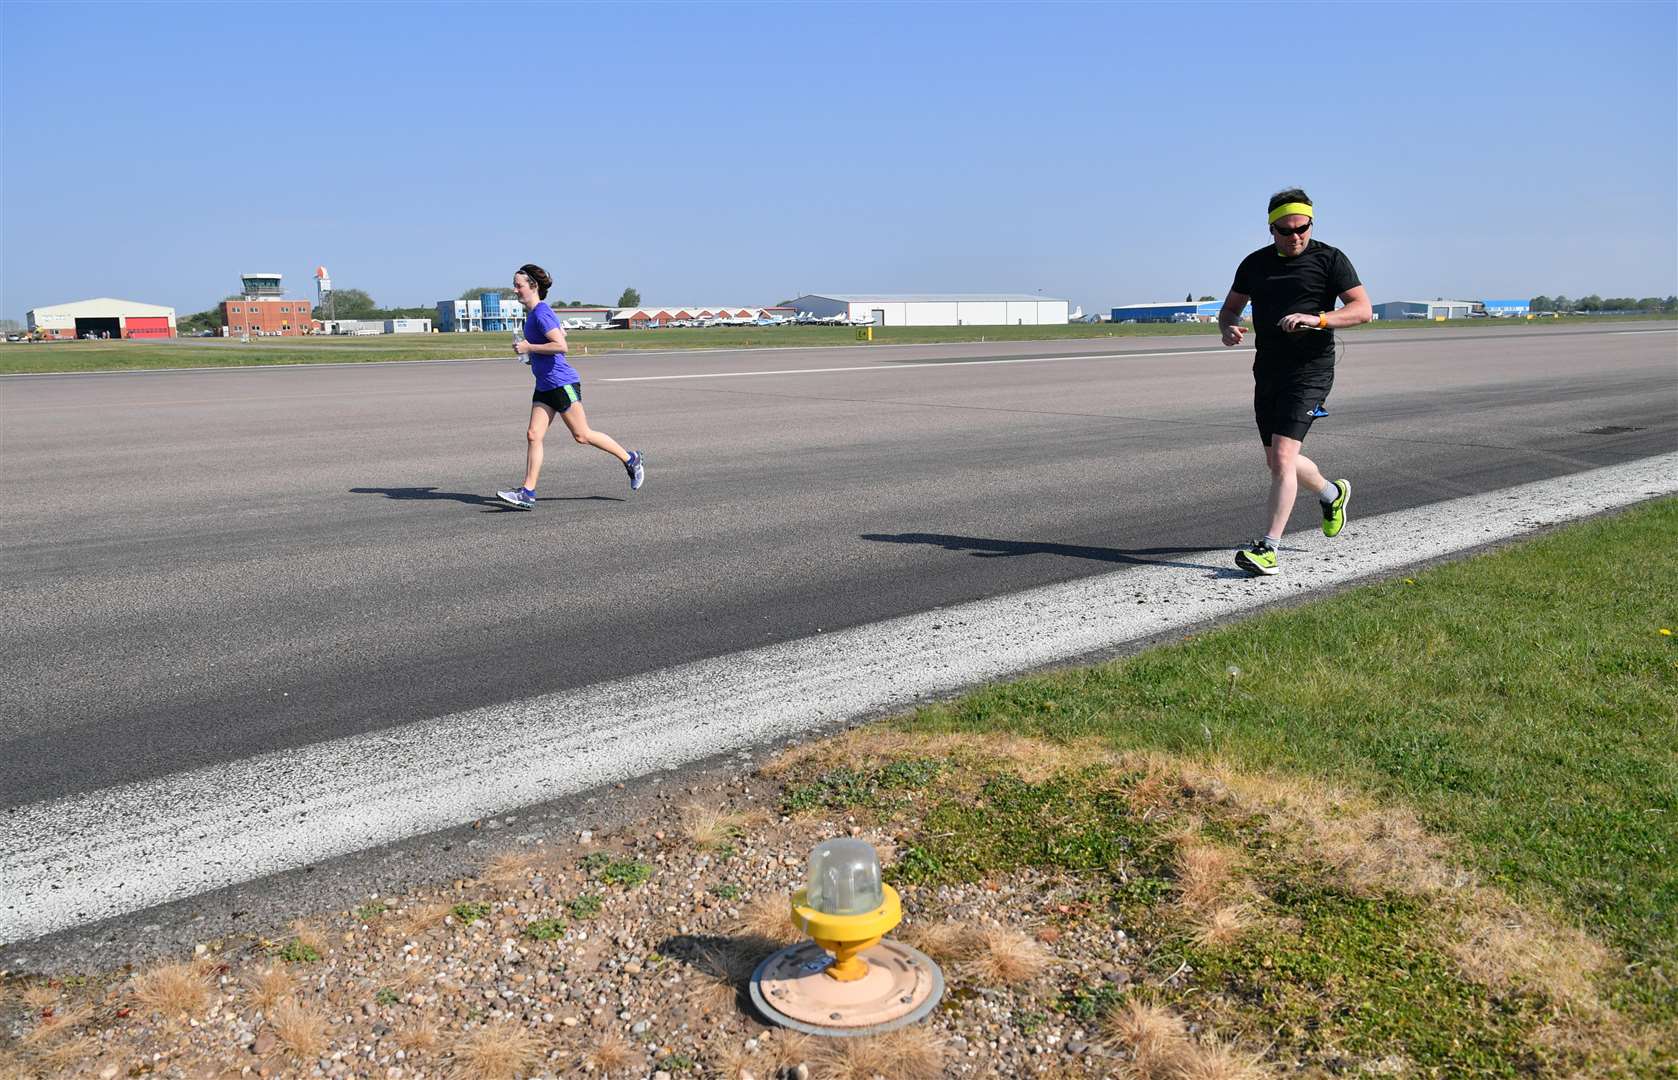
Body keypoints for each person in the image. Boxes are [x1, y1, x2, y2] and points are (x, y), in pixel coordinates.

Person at [1217, 188, 1371, 576]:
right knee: (1276, 462)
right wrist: (1228, 328)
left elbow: (1362, 310)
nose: (1295, 237)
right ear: (1272, 228)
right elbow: (1230, 309)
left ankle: (1268, 548)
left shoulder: (1330, 259)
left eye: (1302, 228)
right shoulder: (1254, 264)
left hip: (1311, 370)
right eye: (1286, 231)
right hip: (1268, 369)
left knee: (1283, 458)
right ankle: (1332, 494)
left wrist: (1316, 318)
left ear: (1310, 224)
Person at [496, 264, 643, 509]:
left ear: (533, 286)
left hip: (561, 383)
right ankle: (527, 492)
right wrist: (530, 355)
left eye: (518, 285)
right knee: (534, 435)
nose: (515, 289)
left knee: (582, 435)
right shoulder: (534, 315)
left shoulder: (541, 313)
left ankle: (631, 459)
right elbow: (553, 338)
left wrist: (529, 348)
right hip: (544, 384)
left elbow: (561, 346)